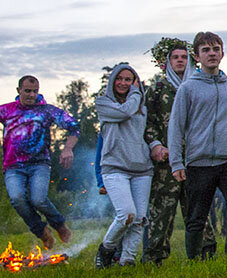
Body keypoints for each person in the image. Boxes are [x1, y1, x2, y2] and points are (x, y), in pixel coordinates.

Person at [170, 32, 227, 259]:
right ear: (197, 56)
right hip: (199, 160)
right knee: (196, 215)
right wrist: (176, 161)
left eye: (216, 49)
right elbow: (176, 127)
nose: (212, 54)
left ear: (223, 53)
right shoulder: (187, 89)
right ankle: (194, 260)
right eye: (206, 50)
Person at [142, 38, 217, 263]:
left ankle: (204, 252)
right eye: (175, 57)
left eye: (184, 57)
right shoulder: (157, 90)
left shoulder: (199, 85)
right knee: (162, 210)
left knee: (198, 207)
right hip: (166, 162)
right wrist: (155, 145)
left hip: (195, 159)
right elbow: (147, 123)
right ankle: (155, 256)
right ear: (166, 61)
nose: (180, 61)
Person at [1, 75, 78, 249]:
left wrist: (68, 149)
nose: (31, 94)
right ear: (18, 90)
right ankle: (41, 231)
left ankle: (59, 224)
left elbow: (74, 126)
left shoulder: (46, 111)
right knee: (17, 198)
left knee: (38, 199)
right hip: (13, 166)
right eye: (27, 91)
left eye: (35, 91)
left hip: (39, 164)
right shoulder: (6, 110)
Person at [95, 64, 153, 266]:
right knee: (127, 213)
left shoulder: (142, 108)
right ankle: (106, 249)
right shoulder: (103, 104)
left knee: (139, 219)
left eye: (128, 80)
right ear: (112, 81)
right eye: (119, 79)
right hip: (114, 166)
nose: (123, 83)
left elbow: (146, 133)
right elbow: (125, 112)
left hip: (142, 167)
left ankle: (127, 260)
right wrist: (136, 92)